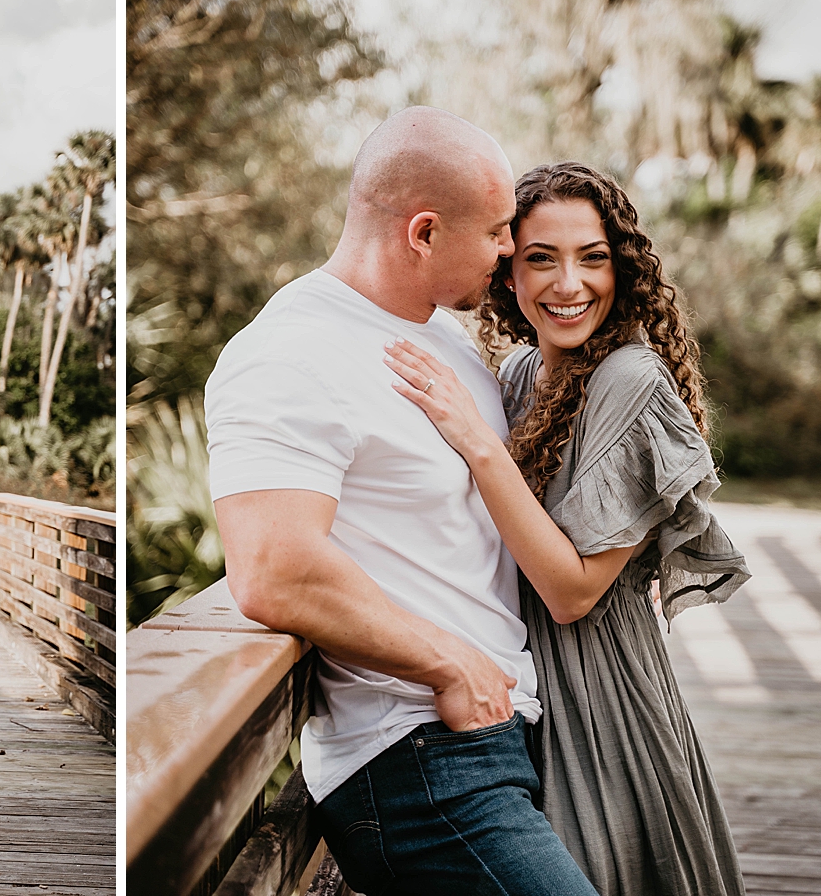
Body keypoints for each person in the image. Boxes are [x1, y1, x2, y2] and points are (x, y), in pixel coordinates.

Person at [206, 107, 598, 894]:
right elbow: (271, 566)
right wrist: (450, 661)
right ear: (422, 232)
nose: (505, 249)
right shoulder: (288, 352)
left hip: (489, 736)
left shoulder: (444, 335)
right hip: (412, 758)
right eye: (495, 231)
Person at [384, 160, 750, 896]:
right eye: (540, 259)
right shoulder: (520, 374)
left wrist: (477, 441)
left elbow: (571, 591)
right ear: (506, 274)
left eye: (593, 258)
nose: (569, 283)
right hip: (520, 688)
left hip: (603, 693)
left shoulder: (630, 380)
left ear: (625, 270)